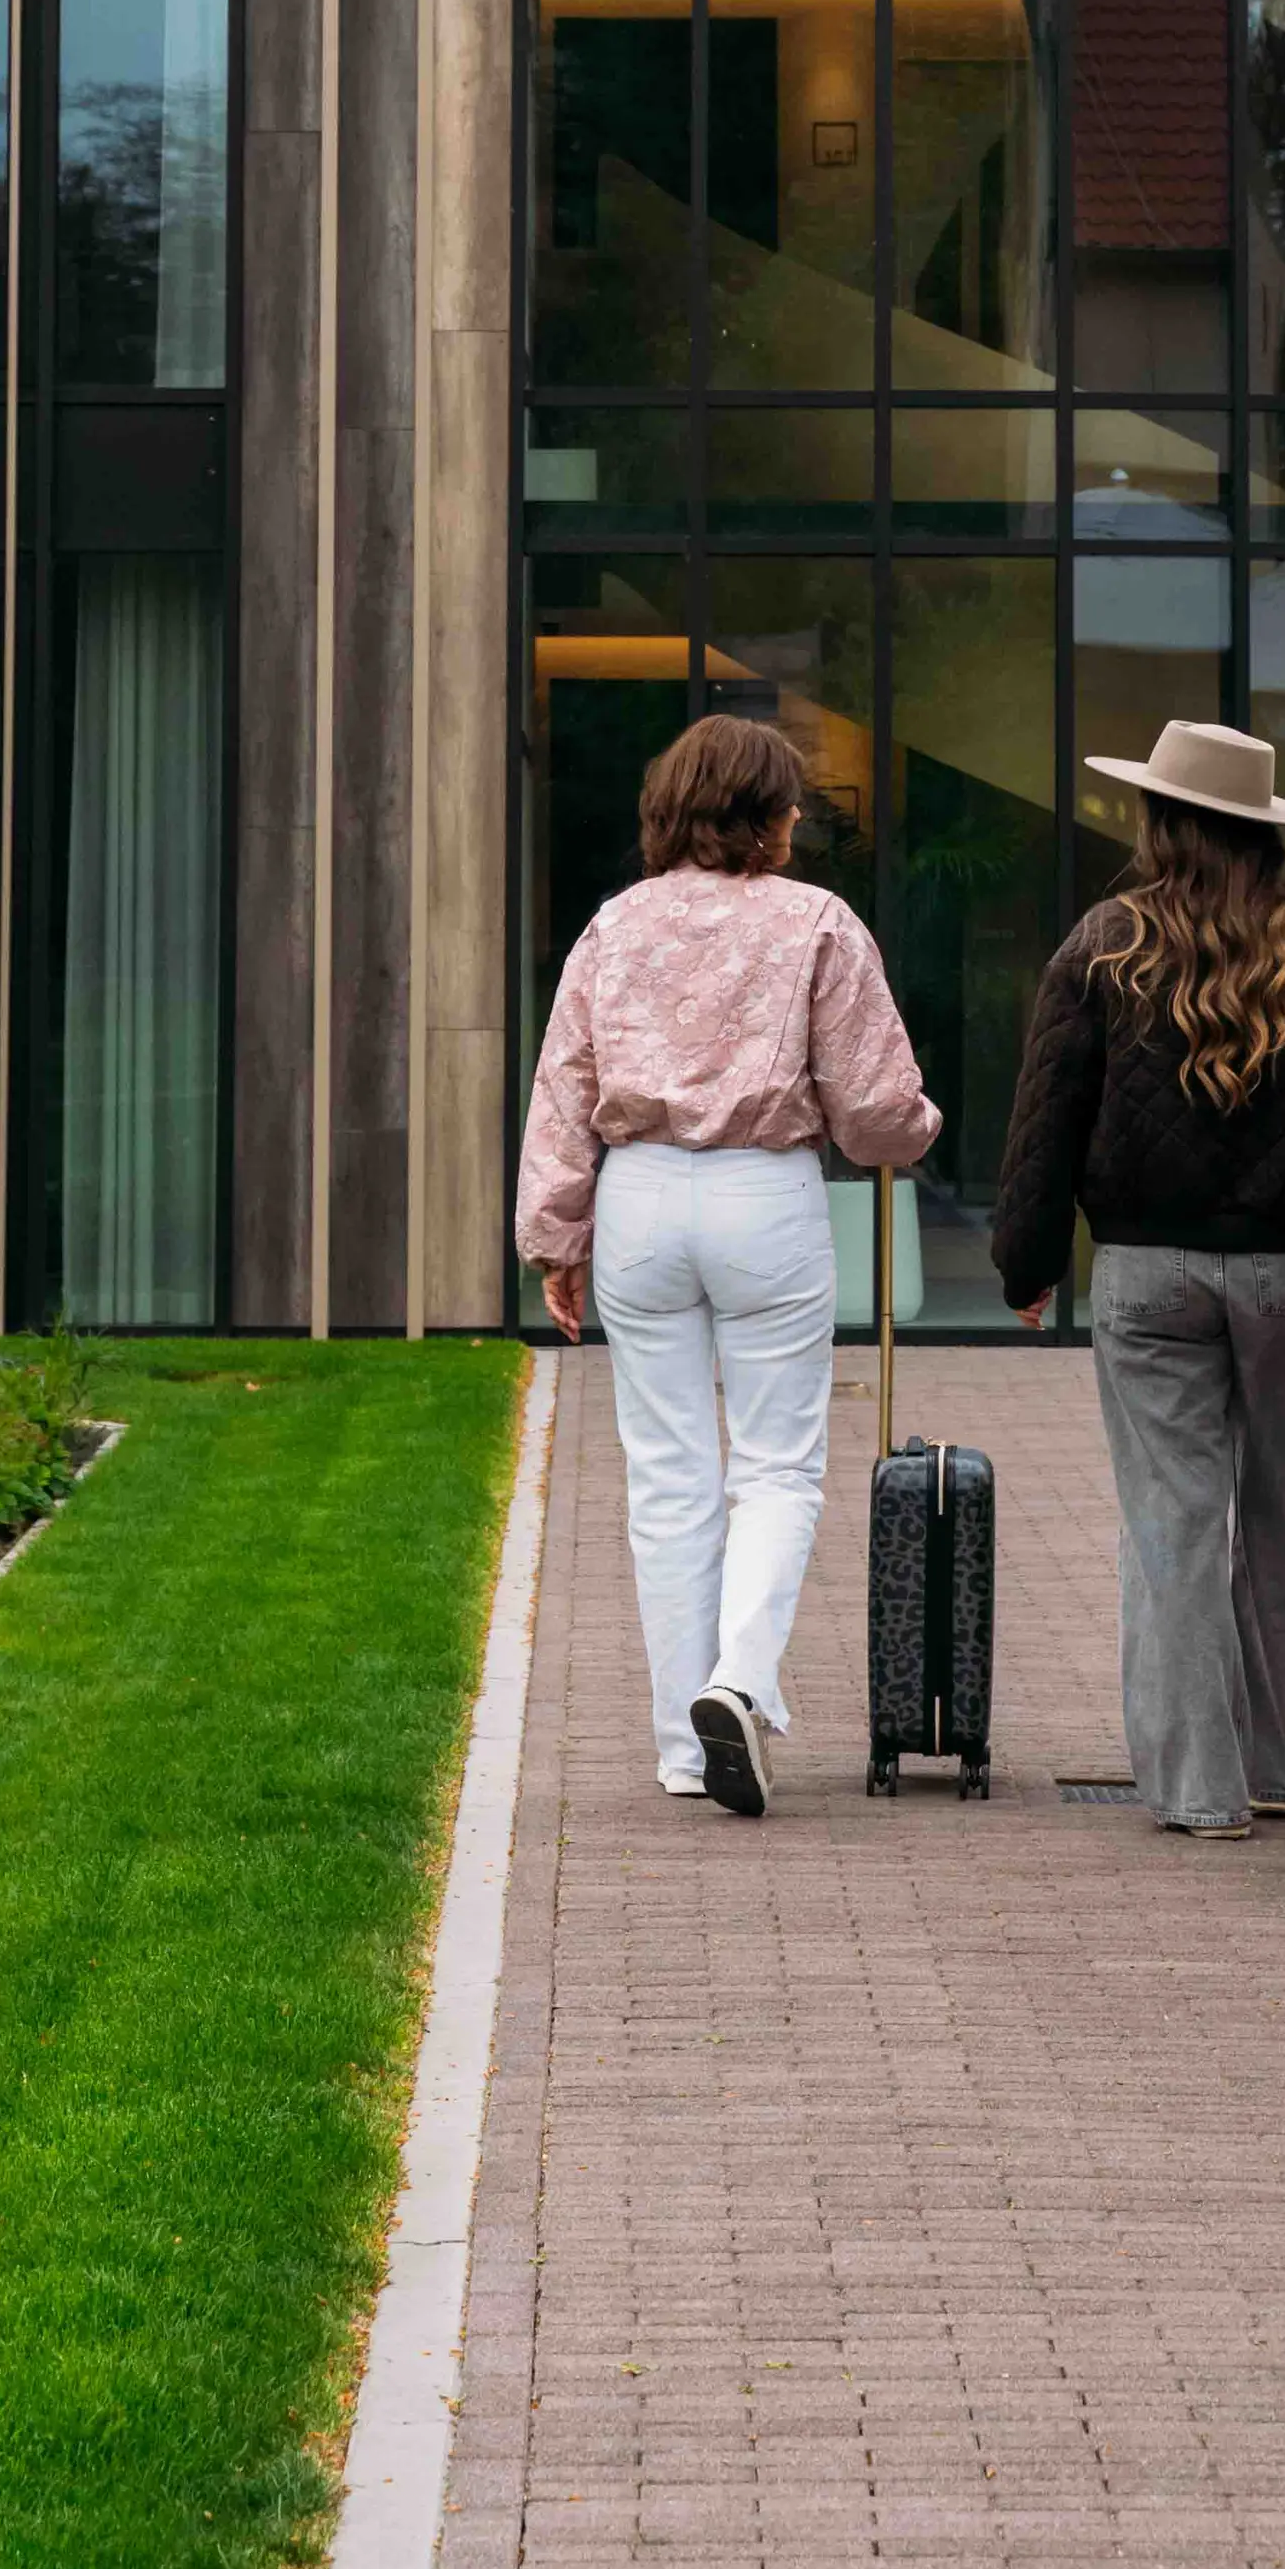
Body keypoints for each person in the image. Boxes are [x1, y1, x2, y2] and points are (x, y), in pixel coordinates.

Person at [988, 714, 1285, 1839]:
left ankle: (1197, 1793)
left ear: (1161, 823)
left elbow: (1047, 1116)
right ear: (1265, 834)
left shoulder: (1101, 947)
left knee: (1172, 1528)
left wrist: (1027, 1263)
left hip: (1145, 1277)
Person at [517, 710, 940, 1815]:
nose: (798, 814)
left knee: (667, 1477)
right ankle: (739, 1683)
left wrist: (556, 1237)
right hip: (764, 1197)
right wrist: (919, 1128)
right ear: (764, 816)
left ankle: (681, 1742)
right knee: (776, 1467)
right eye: (789, 799)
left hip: (641, 1196)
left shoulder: (614, 928)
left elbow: (564, 1086)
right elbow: (876, 1110)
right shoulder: (818, 923)